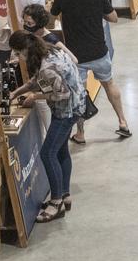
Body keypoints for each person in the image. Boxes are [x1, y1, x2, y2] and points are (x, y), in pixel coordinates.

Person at [50, 0, 130, 143]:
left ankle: (81, 133)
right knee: (109, 84)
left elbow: (50, 19)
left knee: (80, 93)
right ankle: (123, 122)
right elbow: (113, 18)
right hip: (99, 51)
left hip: (76, 57)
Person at [8, 30, 84, 223]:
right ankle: (65, 194)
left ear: (25, 50)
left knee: (47, 153)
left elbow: (60, 95)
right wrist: (17, 92)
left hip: (66, 112)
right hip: (74, 106)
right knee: (60, 150)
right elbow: (39, 81)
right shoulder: (48, 52)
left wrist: (35, 96)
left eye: (18, 53)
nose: (18, 58)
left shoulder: (47, 67)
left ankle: (56, 202)